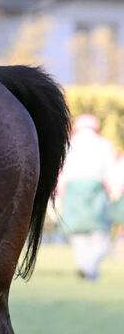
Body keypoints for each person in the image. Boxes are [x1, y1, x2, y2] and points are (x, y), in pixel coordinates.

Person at [57, 113, 116, 281]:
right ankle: (90, 267)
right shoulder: (105, 145)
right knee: (100, 234)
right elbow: (110, 172)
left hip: (73, 191)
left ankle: (86, 267)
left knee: (77, 234)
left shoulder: (69, 144)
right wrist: (114, 191)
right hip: (96, 191)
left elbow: (61, 172)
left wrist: (59, 193)